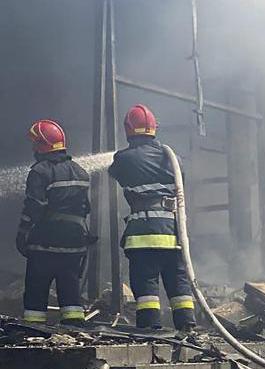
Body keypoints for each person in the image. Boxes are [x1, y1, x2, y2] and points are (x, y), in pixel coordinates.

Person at [107, 104, 196, 331]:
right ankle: (188, 328)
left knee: (146, 282)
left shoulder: (124, 158)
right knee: (178, 281)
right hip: (173, 231)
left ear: (128, 129)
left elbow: (114, 171)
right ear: (154, 128)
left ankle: (151, 330)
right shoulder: (172, 157)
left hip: (143, 233)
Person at [18, 120, 92, 325]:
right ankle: (75, 329)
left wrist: (22, 233)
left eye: (35, 144)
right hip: (75, 243)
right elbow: (86, 208)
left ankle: (33, 331)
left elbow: (34, 207)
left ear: (42, 145)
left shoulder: (39, 171)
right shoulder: (81, 172)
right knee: (70, 288)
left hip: (45, 242)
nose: (33, 149)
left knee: (36, 288)